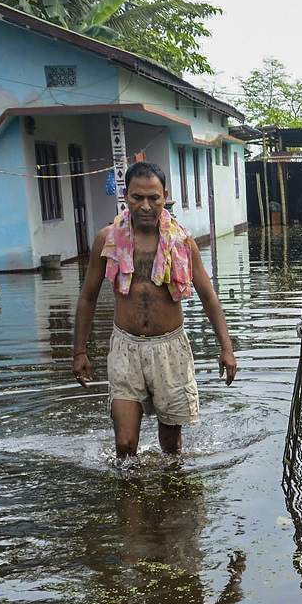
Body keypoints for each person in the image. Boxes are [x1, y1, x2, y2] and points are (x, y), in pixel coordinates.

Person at [72, 161, 236, 457]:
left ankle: (169, 494)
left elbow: (209, 297)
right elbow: (87, 298)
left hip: (169, 349)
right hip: (125, 348)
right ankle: (129, 498)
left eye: (153, 198)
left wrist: (226, 348)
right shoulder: (107, 240)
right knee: (124, 445)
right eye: (138, 198)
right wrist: (79, 351)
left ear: (165, 196)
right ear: (126, 197)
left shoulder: (182, 243)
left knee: (171, 448)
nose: (145, 206)